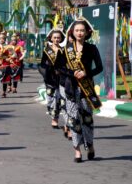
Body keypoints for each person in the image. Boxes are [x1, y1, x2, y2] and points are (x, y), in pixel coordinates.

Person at [56, 17, 103, 163]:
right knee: (73, 120)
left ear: (87, 32)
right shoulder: (66, 49)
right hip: (70, 88)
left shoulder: (92, 48)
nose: (79, 33)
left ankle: (90, 145)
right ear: (73, 32)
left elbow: (99, 67)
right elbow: (59, 67)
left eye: (82, 30)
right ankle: (77, 150)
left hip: (86, 88)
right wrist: (72, 73)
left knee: (87, 118)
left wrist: (86, 73)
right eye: (77, 30)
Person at [40, 28, 65, 129]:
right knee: (50, 98)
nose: (56, 39)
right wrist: (48, 69)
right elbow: (42, 64)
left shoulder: (63, 50)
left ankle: (55, 119)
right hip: (49, 78)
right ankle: (52, 112)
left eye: (58, 37)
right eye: (55, 37)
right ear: (51, 38)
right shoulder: (47, 50)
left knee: (58, 98)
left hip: (60, 77)